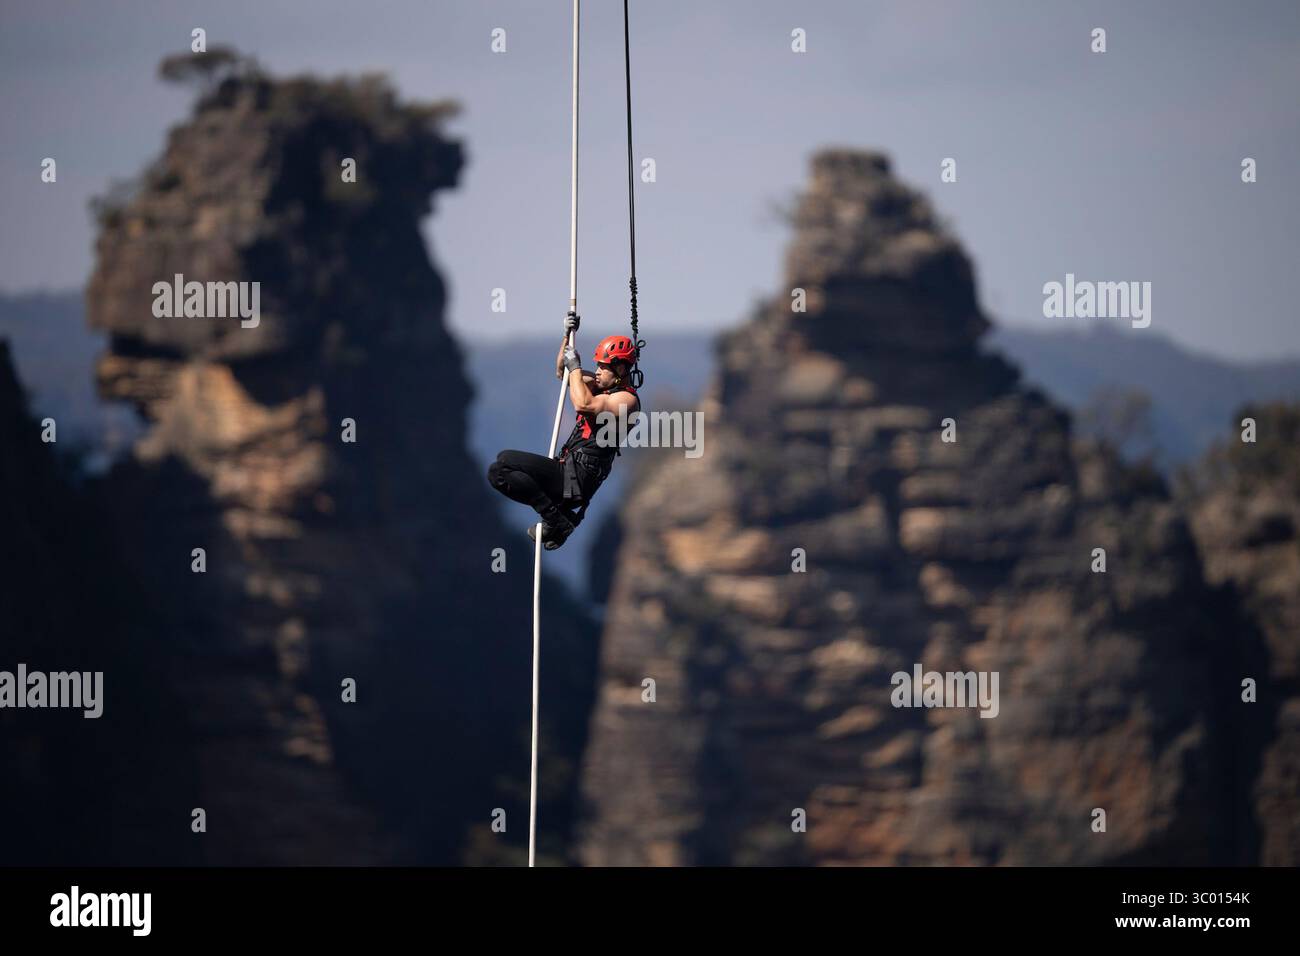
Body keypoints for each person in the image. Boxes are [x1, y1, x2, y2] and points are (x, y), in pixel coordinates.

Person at [486, 312, 641, 550]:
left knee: (505, 462)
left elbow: (584, 404)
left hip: (577, 477)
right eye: (597, 365)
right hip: (568, 470)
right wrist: (567, 336)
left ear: (620, 369)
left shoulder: (626, 400)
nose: (598, 371)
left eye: (603, 367)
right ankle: (556, 518)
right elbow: (563, 373)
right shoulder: (601, 385)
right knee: (498, 471)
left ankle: (555, 519)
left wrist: (576, 367)